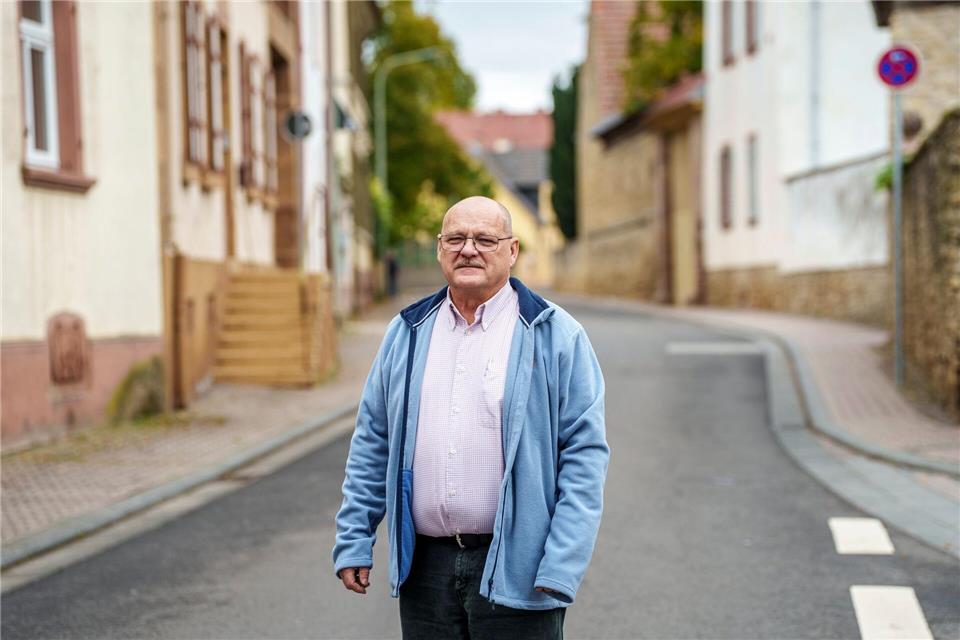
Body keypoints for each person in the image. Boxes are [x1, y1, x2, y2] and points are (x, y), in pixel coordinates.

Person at [333, 196, 608, 639]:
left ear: (512, 250)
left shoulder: (556, 333)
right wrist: (354, 537)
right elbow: (372, 440)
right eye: (456, 238)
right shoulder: (407, 332)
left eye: (485, 239)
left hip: (520, 564)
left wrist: (562, 562)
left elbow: (584, 455)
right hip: (425, 569)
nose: (468, 249)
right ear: (440, 248)